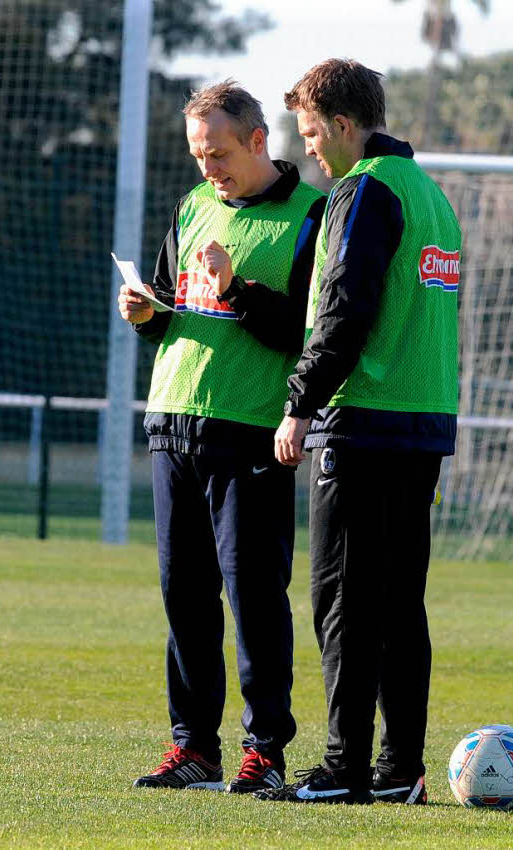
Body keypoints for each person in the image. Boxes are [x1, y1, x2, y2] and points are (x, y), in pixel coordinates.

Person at [260, 59, 461, 805]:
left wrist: (300, 401)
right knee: (399, 603)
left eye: (312, 133)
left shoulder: (365, 191)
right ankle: (400, 769)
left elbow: (345, 307)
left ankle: (345, 769)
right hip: (422, 424)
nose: (310, 148)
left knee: (343, 599)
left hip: (364, 422)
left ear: (345, 125)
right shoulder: (432, 196)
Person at [118, 81, 325, 795]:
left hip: (251, 434)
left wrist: (237, 289)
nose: (209, 167)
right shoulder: (192, 206)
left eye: (219, 153)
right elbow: (170, 312)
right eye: (198, 154)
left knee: (255, 599)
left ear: (260, 141)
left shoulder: (312, 216)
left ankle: (264, 752)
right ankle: (194, 747)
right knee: (184, 597)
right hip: (172, 422)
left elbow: (308, 333)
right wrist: (145, 315)